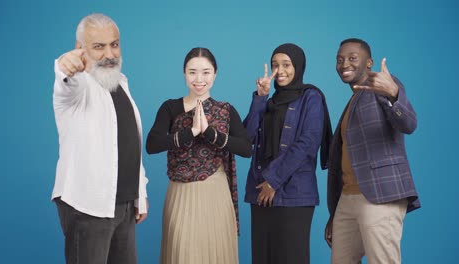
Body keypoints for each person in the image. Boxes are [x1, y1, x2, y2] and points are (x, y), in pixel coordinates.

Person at [51, 13, 148, 264]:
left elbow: (129, 144)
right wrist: (65, 65)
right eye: (98, 46)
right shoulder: (78, 88)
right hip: (87, 207)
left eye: (114, 44)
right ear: (80, 49)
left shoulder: (121, 84)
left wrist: (140, 192)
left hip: (124, 205)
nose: (110, 54)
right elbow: (65, 80)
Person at [146, 47, 252, 264]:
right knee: (182, 253)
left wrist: (209, 133)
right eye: (192, 72)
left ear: (215, 74)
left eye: (206, 72)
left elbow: (246, 149)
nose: (199, 79)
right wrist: (191, 132)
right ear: (184, 73)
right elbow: (152, 144)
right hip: (180, 193)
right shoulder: (170, 108)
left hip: (216, 194)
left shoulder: (225, 110)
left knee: (215, 253)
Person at [324, 38, 421, 264]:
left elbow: (409, 124)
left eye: (352, 58)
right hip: (347, 198)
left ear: (369, 63)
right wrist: (334, 212)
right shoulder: (354, 100)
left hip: (380, 195)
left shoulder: (384, 86)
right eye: (339, 60)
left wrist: (393, 93)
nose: (344, 64)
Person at [243, 43, 333, 264]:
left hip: (294, 194)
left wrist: (273, 181)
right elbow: (246, 139)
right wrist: (260, 98)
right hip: (260, 193)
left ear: (298, 66)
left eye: (286, 64)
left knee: (291, 258)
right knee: (263, 258)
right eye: (275, 65)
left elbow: (308, 144)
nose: (280, 71)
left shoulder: (311, 97)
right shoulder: (268, 101)